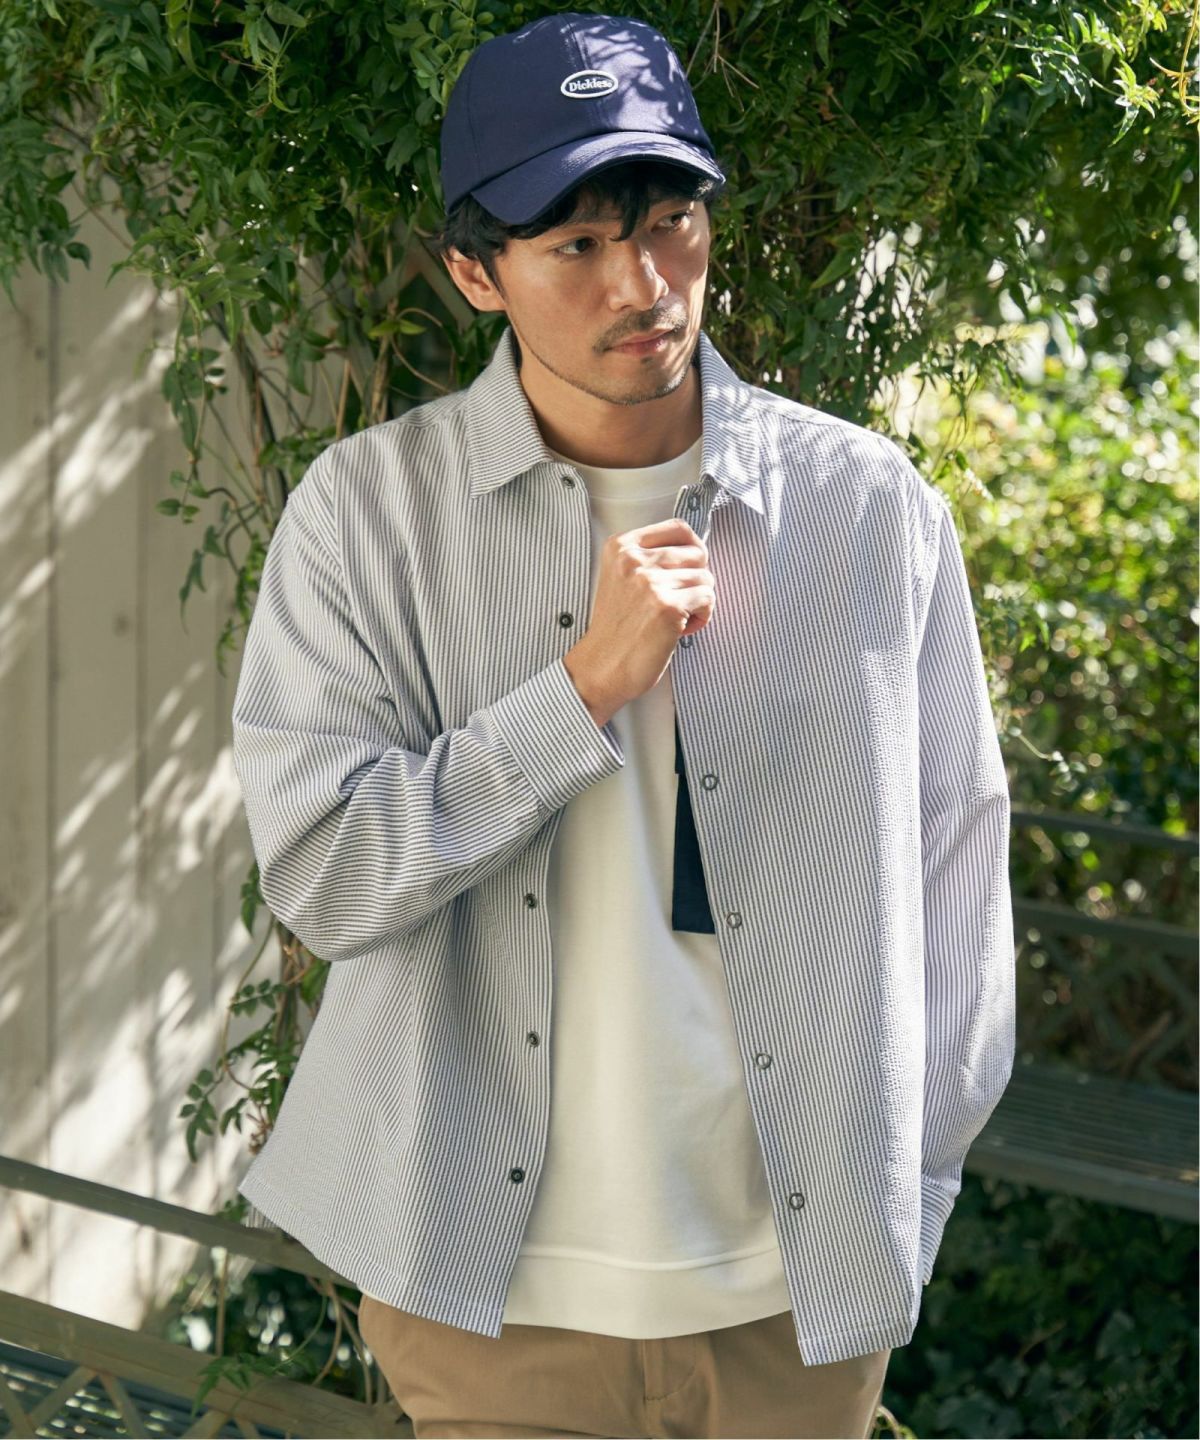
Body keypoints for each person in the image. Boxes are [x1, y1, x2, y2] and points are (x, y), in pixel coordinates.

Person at [229, 11, 1016, 1439]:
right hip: (495, 1305)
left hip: (794, 1305)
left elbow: (959, 867)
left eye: (668, 223)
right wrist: (581, 690)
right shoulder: (366, 521)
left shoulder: (865, 511)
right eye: (577, 244)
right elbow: (326, 879)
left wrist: (910, 1172)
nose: (642, 283)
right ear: (476, 272)